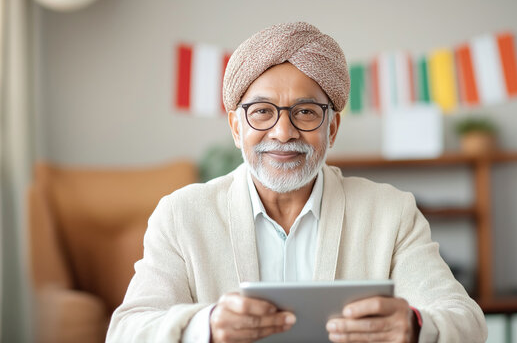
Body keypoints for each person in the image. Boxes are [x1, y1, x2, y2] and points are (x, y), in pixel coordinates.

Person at [107, 22, 487, 343]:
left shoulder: (391, 212)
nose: (284, 132)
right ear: (236, 128)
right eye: (262, 112)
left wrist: (413, 326)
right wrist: (205, 326)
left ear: (332, 128)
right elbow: (125, 330)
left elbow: (466, 321)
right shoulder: (181, 215)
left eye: (305, 112)